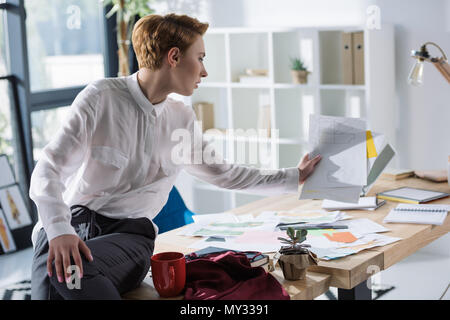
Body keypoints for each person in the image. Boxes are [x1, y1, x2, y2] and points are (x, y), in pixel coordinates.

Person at [29, 13, 321, 300]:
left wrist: (293, 177)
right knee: (56, 276)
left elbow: (224, 173)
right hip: (74, 224)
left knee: (68, 273)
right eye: (201, 57)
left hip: (129, 236)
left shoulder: (180, 118)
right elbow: (48, 169)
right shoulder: (100, 98)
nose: (204, 71)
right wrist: (58, 229)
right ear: (174, 57)